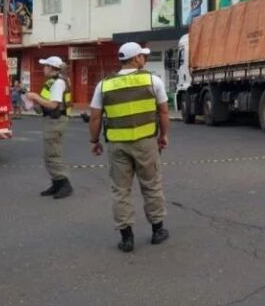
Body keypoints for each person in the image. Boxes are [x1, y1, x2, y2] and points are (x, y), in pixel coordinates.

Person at [88, 42, 170, 253]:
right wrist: (164, 136)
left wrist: (94, 141)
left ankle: (127, 238)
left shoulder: (104, 85)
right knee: (151, 185)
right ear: (136, 59)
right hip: (145, 142)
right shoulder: (153, 80)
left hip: (117, 145)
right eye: (142, 56)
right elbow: (163, 112)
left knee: (121, 190)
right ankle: (158, 231)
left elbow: (95, 117)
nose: (144, 59)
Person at [25, 56, 74, 199]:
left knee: (53, 154)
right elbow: (48, 104)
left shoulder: (58, 82)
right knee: (50, 154)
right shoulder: (54, 81)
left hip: (56, 121)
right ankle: (57, 183)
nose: (43, 68)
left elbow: (54, 104)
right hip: (53, 120)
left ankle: (64, 184)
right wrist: (36, 103)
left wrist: (35, 96)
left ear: (52, 68)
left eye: (45, 66)